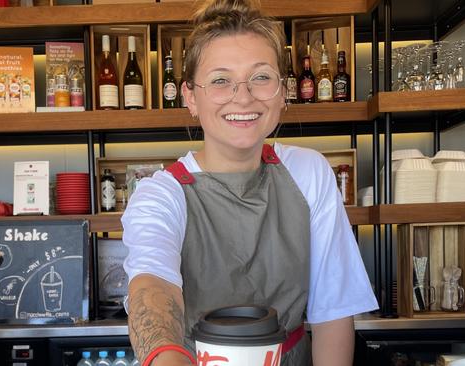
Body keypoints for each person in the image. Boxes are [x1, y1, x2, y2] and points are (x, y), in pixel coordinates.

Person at [121, 0, 378, 365]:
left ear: (283, 90)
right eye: (220, 80)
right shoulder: (161, 193)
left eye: (260, 77)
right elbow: (153, 288)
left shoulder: (309, 172)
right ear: (191, 97)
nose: (243, 96)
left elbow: (332, 310)